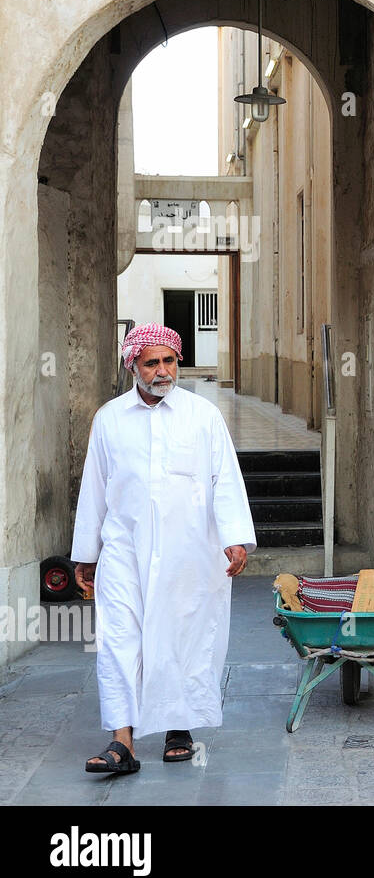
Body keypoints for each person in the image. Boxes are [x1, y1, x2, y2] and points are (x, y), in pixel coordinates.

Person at [71, 323, 256, 774]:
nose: (161, 370)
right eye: (151, 362)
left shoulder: (202, 416)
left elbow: (224, 478)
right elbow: (94, 489)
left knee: (183, 637)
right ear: (133, 365)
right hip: (124, 552)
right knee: (118, 642)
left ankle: (179, 727)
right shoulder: (110, 419)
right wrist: (85, 552)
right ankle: (122, 742)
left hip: (188, 553)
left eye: (169, 360)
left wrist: (234, 536)